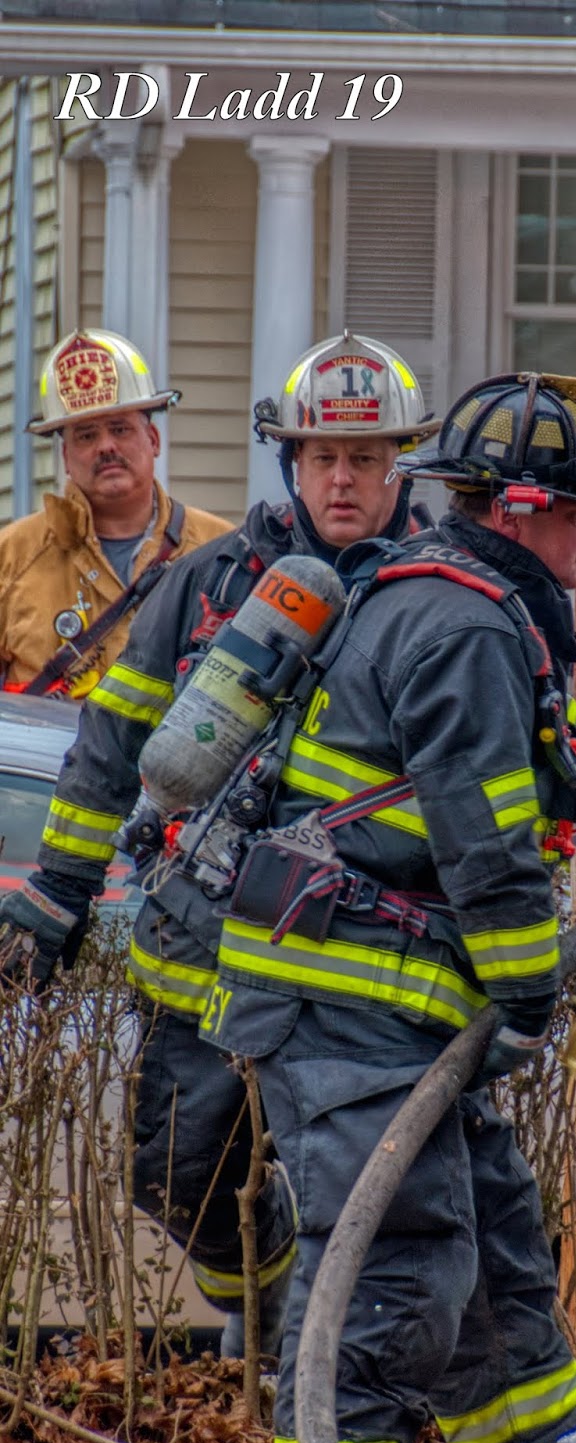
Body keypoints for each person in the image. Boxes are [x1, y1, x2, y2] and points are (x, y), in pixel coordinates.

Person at [195, 371, 576, 1443]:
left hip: (376, 989)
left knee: (486, 1214)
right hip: (346, 993)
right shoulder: (469, 625)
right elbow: (486, 844)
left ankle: (527, 1432)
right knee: (396, 1242)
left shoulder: (451, 601)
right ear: (525, 508)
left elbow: (556, 740)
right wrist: (532, 990)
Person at [0, 331, 440, 1358]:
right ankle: (266, 1311)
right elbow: (106, 745)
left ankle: (325, 1381)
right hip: (204, 942)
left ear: (399, 464)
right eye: (322, 456)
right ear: (288, 459)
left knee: (368, 1181)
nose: (342, 477)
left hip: (365, 958)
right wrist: (60, 888)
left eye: (368, 457)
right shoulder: (206, 583)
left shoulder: (437, 594)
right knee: (178, 1168)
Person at [0, 329, 230, 696]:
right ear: (66, 459)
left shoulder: (221, 553)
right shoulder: (11, 557)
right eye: (86, 436)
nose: (106, 446)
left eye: (120, 429)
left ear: (153, 440)